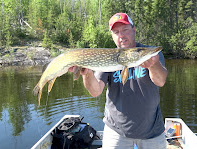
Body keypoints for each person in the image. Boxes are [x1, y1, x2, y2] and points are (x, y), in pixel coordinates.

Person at [69, 13, 168, 149]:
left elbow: (160, 81)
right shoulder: (109, 56)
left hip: (151, 131)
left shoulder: (149, 54)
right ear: (112, 36)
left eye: (125, 30)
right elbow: (95, 91)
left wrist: (153, 65)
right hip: (116, 131)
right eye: (116, 32)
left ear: (134, 30)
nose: (121, 35)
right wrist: (87, 75)